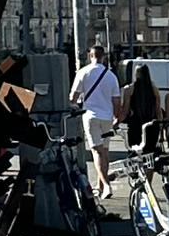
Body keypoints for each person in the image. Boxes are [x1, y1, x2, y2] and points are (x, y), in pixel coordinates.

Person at [69, 44, 120, 199]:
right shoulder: (111, 76)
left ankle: (106, 186)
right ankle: (100, 185)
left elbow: (73, 97)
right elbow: (116, 100)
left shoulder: (83, 72)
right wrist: (116, 117)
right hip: (107, 118)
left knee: (96, 152)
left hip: (90, 116)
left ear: (91, 56)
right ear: (103, 57)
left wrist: (75, 107)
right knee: (104, 151)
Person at [118, 64, 162, 154]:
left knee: (135, 155)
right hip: (151, 126)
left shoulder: (129, 89)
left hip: (135, 126)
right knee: (150, 156)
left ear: (136, 74)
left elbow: (125, 111)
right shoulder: (154, 89)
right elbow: (158, 110)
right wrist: (161, 127)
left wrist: (116, 122)